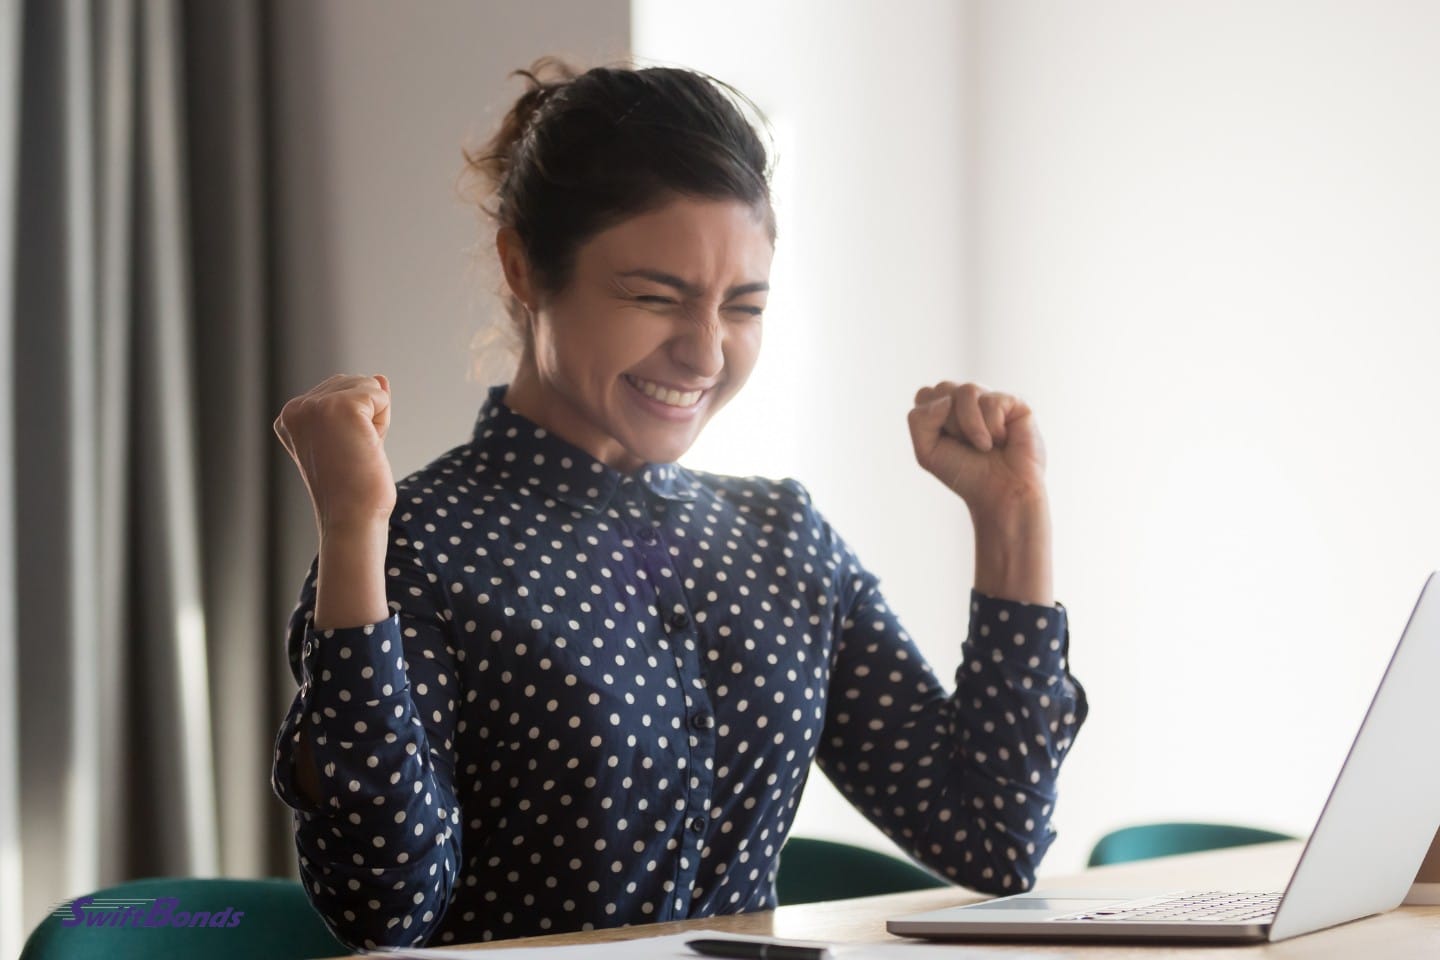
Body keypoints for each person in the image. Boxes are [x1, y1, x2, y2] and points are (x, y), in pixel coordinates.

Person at [270, 59, 1087, 951]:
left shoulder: (784, 539)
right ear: (523, 269)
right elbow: (384, 909)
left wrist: (1013, 518)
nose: (705, 354)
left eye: (744, 307)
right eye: (655, 298)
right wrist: (353, 529)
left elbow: (992, 837)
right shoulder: (418, 545)